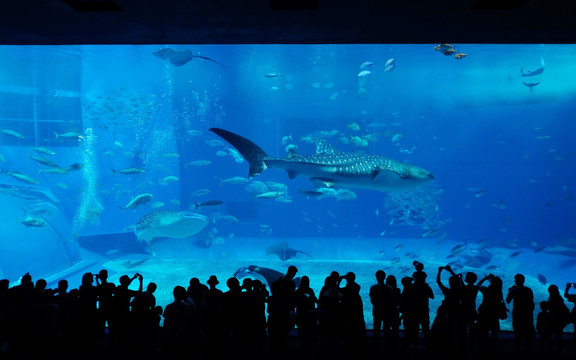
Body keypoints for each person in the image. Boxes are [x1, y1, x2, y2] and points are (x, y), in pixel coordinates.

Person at [505, 273, 535, 353]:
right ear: (523, 281)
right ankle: (528, 350)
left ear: (516, 281)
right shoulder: (528, 290)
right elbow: (532, 304)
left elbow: (508, 301)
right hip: (527, 315)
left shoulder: (513, 290)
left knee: (517, 333)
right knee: (527, 334)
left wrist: (510, 292)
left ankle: (517, 350)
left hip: (517, 314)